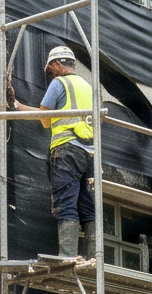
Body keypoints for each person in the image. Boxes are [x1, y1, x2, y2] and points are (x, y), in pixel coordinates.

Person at [9, 44, 96, 259]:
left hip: (66, 150)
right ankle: (95, 256)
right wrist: (18, 106)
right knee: (87, 205)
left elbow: (45, 121)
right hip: (89, 153)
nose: (50, 74)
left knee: (65, 203)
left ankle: (67, 257)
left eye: (50, 69)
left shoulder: (59, 83)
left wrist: (18, 107)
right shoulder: (87, 86)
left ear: (57, 64)